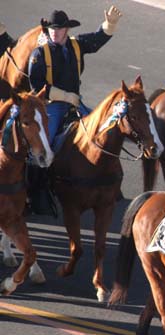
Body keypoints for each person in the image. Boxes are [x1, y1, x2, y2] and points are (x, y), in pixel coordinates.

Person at [26, 6, 122, 216]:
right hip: (50, 107)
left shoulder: (77, 45)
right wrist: (65, 96)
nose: (55, 32)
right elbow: (36, 87)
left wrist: (110, 25)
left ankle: (109, 180)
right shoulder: (39, 55)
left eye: (59, 28)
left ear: (67, 30)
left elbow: (96, 40)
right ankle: (35, 191)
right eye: (52, 28)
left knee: (103, 131)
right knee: (43, 146)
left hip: (76, 103)